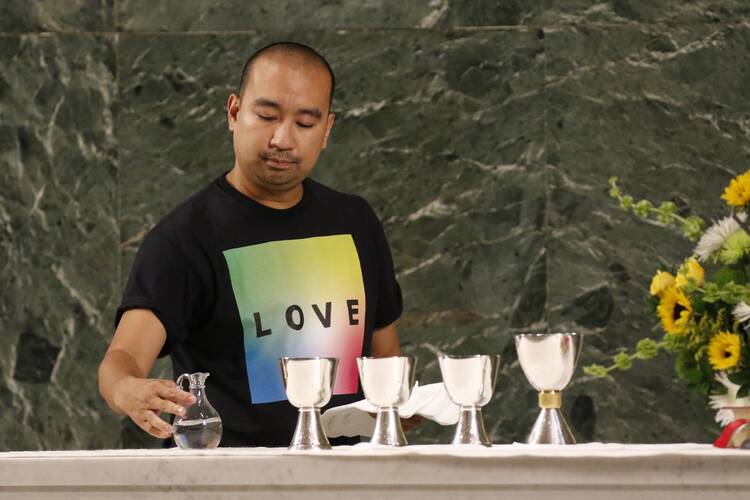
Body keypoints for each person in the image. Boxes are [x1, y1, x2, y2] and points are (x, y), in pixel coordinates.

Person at [98, 42, 405, 447]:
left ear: (327, 130)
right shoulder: (184, 238)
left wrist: (404, 407)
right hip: (227, 480)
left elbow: (386, 358)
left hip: (346, 477)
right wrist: (126, 391)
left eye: (306, 124)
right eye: (266, 116)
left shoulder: (354, 222)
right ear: (234, 112)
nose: (283, 139)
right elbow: (122, 359)